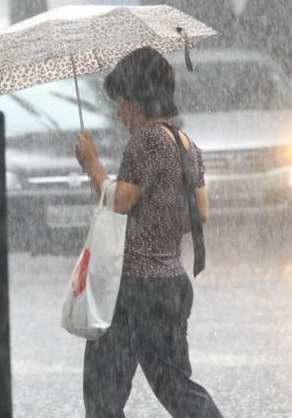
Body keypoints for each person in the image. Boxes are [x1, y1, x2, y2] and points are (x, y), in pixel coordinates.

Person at [74, 46, 223, 418]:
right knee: (175, 385)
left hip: (133, 290)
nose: (119, 111)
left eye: (122, 102)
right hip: (170, 284)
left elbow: (120, 201)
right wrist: (160, 221)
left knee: (103, 393)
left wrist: (92, 164)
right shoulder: (186, 145)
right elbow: (199, 212)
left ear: (139, 100)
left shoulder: (145, 142)